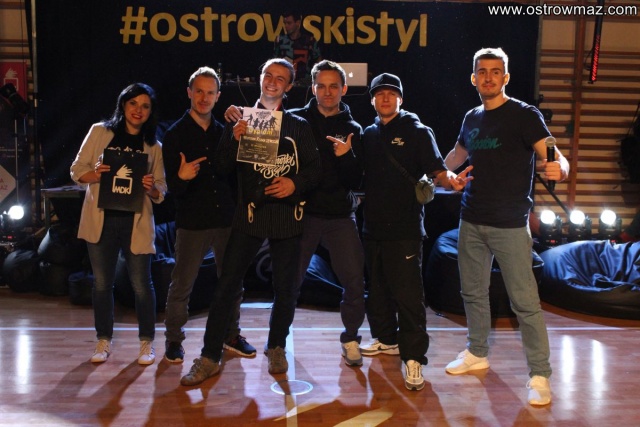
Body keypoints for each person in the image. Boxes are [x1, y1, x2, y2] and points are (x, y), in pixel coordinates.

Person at [180, 58, 321, 386]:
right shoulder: (240, 119)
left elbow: (315, 170)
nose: (272, 81)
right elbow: (221, 168)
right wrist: (233, 138)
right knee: (226, 286)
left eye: (280, 78)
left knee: (286, 289)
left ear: (289, 86)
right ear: (260, 79)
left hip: (286, 216)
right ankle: (209, 356)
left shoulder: (298, 125)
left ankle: (276, 346)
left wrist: (294, 184)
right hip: (249, 216)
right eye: (268, 75)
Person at [443, 47, 569, 406]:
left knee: (525, 303)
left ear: (506, 77)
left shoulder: (524, 115)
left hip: (510, 226)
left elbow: (555, 157)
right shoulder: (471, 118)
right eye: (482, 72)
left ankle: (540, 375)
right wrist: (440, 174)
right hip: (471, 220)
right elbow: (455, 157)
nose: (488, 77)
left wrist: (560, 169)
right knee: (473, 293)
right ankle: (477, 352)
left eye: (495, 71)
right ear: (473, 78)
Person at [359, 73, 460, 391]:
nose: (385, 98)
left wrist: (451, 180)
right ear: (372, 100)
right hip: (372, 227)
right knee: (377, 291)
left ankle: (414, 358)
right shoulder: (368, 134)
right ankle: (386, 339)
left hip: (405, 229)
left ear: (400, 99)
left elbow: (438, 170)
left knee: (408, 296)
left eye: (391, 93)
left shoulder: (418, 131)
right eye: (380, 94)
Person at [161, 66, 256, 364]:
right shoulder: (174, 135)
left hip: (226, 220)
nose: (204, 98)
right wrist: (182, 178)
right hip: (193, 223)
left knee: (232, 283)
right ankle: (174, 340)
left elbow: (235, 176)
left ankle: (231, 335)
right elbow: (171, 189)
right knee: (182, 285)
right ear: (189, 93)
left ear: (218, 96)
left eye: (210, 92)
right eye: (199, 91)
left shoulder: (225, 131)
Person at [70, 83, 167, 365]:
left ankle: (146, 343)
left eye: (145, 106)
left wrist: (151, 188)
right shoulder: (100, 132)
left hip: (136, 223)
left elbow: (161, 189)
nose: (138, 110)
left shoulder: (154, 146)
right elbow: (76, 171)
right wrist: (96, 174)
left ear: (150, 112)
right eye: (133, 103)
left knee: (142, 285)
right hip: (101, 221)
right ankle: (103, 339)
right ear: (123, 104)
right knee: (102, 284)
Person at [287, 60, 366, 366]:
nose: (328, 92)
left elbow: (356, 181)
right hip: (302, 215)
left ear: (343, 89)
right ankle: (278, 339)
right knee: (289, 282)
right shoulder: (295, 120)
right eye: (321, 86)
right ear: (313, 88)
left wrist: (346, 157)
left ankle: (351, 339)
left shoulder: (354, 129)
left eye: (334, 86)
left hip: (339, 217)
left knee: (354, 282)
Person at [273, 10, 322, 83]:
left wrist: (314, 76)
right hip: (285, 81)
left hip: (304, 82)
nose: (286, 26)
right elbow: (274, 61)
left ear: (298, 23)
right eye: (285, 23)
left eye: (289, 23)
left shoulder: (309, 41)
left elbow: (318, 59)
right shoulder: (280, 40)